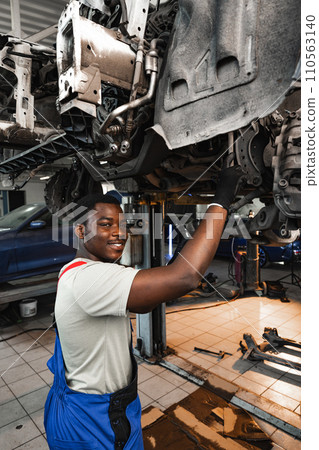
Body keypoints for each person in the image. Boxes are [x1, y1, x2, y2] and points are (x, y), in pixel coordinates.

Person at [44, 166, 245, 449]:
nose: (119, 233)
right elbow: (185, 276)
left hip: (107, 409)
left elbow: (146, 302)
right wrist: (221, 199)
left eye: (122, 224)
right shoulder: (88, 278)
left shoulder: (83, 271)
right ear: (80, 230)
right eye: (105, 225)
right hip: (91, 422)